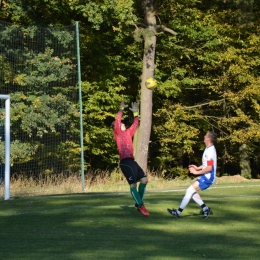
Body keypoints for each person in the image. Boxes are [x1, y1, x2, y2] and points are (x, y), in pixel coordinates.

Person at [167, 131, 218, 219]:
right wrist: (198, 167)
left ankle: (178, 212)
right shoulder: (208, 148)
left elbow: (209, 168)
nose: (204, 136)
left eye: (205, 136)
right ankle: (205, 209)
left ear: (208, 139)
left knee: (189, 190)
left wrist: (196, 172)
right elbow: (207, 164)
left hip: (208, 177)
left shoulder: (210, 151)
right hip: (206, 176)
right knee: (190, 191)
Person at [112, 101, 150, 216]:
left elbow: (135, 125)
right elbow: (118, 120)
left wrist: (135, 113)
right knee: (133, 184)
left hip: (132, 161)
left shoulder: (128, 133)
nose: (122, 124)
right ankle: (141, 206)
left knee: (144, 179)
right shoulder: (117, 133)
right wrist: (121, 109)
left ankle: (139, 203)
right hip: (125, 162)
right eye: (120, 124)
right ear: (116, 127)